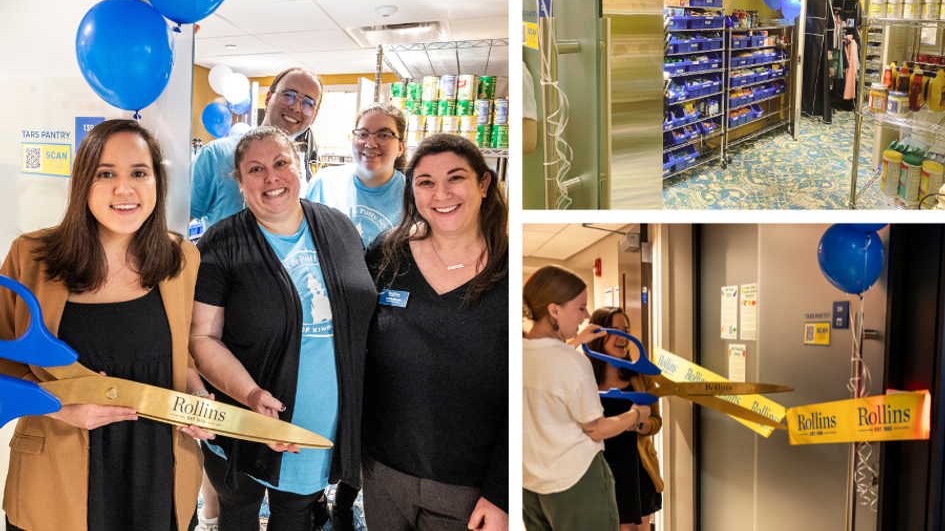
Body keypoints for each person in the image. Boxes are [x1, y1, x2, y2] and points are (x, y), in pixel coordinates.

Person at [0, 119, 211, 531]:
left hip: (157, 467)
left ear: (156, 182)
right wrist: (60, 407)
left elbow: (180, 352)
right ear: (83, 183)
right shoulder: (31, 257)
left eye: (139, 173)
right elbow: (3, 358)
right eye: (106, 174)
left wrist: (197, 397)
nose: (124, 189)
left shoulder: (181, 257)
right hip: (56, 466)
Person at [189, 126, 376, 531]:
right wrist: (251, 393)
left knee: (295, 516)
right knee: (238, 511)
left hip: (319, 421)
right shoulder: (221, 245)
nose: (271, 177)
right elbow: (202, 336)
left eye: (280, 163)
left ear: (300, 167)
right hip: (245, 420)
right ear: (239, 182)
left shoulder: (339, 229)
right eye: (255, 169)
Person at [362, 133, 509, 531]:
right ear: (412, 191)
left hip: (469, 490)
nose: (441, 193)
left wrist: (502, 494)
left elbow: (525, 394)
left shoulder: (512, 270)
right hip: (383, 473)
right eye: (425, 182)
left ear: (483, 183)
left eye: (455, 178)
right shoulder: (386, 254)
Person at [522, 266, 652, 531]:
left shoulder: (518, 352)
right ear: (554, 310)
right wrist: (637, 414)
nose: (587, 315)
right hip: (576, 483)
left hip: (532, 486)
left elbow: (549, 367)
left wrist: (572, 341)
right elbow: (596, 429)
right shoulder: (574, 364)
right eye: (581, 307)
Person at [190, 67, 324, 228]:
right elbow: (174, 223)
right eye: (288, 95)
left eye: (308, 103)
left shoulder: (297, 165)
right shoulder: (216, 155)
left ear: (314, 117)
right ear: (268, 98)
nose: (295, 107)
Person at [586, 308, 663, 531]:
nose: (623, 338)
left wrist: (638, 424)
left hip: (638, 471)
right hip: (601, 472)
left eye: (626, 331)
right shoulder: (583, 377)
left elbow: (656, 421)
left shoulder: (640, 376)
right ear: (598, 335)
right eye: (615, 331)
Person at [305, 102, 407, 247]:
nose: (371, 143)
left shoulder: (413, 194)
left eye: (384, 135)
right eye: (363, 134)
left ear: (400, 148)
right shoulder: (324, 183)